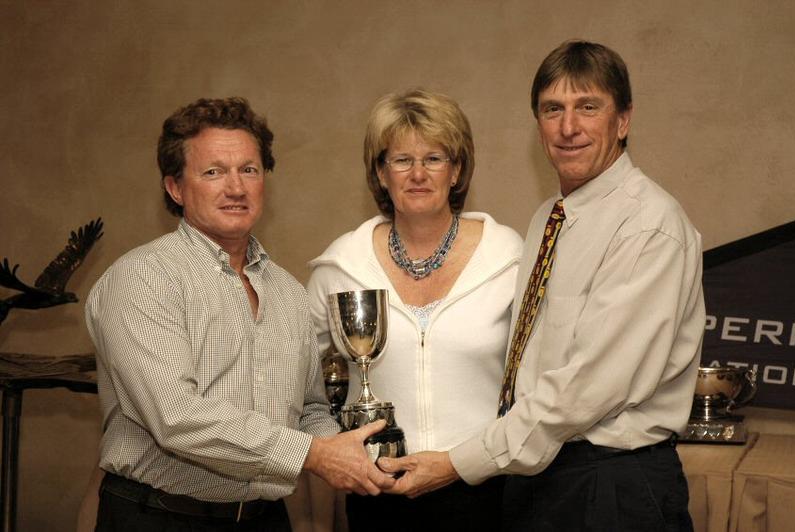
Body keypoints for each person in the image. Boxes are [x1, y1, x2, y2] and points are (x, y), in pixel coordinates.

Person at [380, 41, 705, 531]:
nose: (568, 127)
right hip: (544, 480)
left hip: (612, 487)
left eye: (588, 107)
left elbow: (588, 388)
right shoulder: (549, 218)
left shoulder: (647, 227)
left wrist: (460, 462)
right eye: (553, 109)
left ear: (623, 120)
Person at [85, 97, 394, 532]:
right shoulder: (143, 278)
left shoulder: (288, 292)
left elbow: (309, 409)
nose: (236, 187)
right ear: (175, 188)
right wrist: (314, 455)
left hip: (264, 518)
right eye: (213, 172)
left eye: (249, 169)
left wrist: (352, 454)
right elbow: (176, 417)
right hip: (160, 516)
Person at [306, 89, 523, 531]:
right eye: (402, 160)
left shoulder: (510, 258)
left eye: (434, 158)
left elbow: (541, 382)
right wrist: (333, 445)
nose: (418, 174)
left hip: (486, 492)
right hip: (377, 497)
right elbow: (295, 378)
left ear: (457, 170)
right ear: (381, 173)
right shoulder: (341, 266)